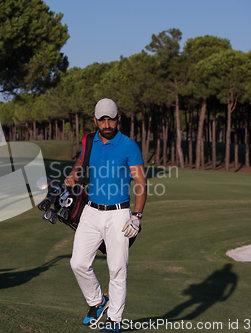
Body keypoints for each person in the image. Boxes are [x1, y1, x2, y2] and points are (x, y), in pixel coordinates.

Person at [65, 98, 147, 333]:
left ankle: (114, 321)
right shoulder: (90, 141)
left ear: (118, 118)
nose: (107, 124)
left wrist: (137, 216)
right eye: (102, 120)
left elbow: (140, 182)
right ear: (96, 121)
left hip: (119, 214)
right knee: (78, 262)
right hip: (91, 211)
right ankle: (97, 302)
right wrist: (73, 175)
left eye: (111, 119)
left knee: (117, 268)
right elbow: (80, 163)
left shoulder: (128, 145)